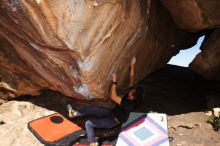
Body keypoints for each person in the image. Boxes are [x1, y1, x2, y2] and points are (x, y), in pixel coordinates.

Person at [67, 57, 144, 146]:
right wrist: (132, 65)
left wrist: (114, 82)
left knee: (89, 123)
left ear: (132, 97)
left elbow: (113, 96)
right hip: (111, 113)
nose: (131, 90)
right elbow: (132, 78)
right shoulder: (132, 95)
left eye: (132, 92)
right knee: (94, 109)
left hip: (113, 121)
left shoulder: (128, 104)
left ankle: (92, 142)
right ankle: (74, 113)